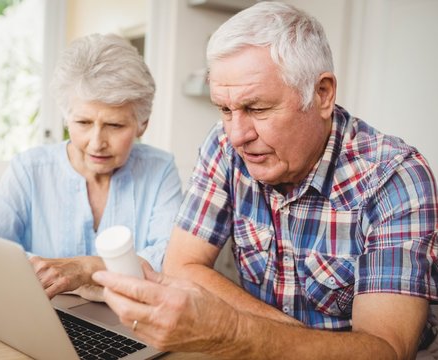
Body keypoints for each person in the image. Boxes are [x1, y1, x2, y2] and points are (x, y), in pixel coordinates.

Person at [92, 2, 438, 358]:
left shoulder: (395, 177)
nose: (238, 134)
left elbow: (385, 351)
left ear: (322, 94)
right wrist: (278, 340)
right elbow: (182, 265)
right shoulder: (224, 144)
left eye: (257, 108)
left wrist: (235, 331)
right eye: (225, 110)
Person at [0, 33, 182, 300]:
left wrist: (85, 269)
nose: (96, 143)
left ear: (142, 124)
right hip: (45, 314)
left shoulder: (160, 170)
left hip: (132, 321)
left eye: (114, 125)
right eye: (83, 123)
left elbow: (171, 261)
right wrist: (114, 273)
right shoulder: (30, 169)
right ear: (67, 118)